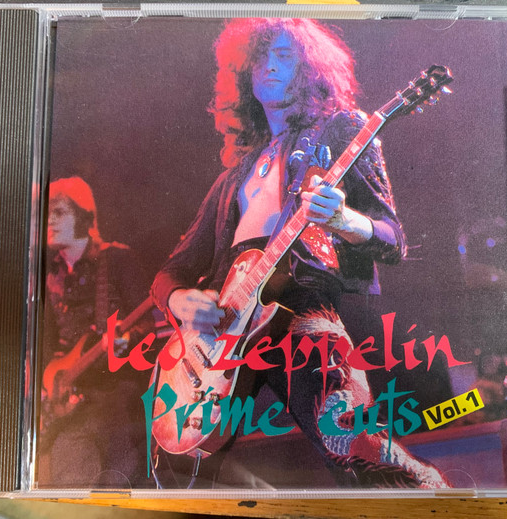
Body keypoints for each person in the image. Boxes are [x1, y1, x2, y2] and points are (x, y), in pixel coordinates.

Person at [151, 19, 448, 488]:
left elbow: (393, 239)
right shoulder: (235, 176)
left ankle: (436, 501)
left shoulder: (341, 130)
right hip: (222, 334)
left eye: (284, 56)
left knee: (353, 443)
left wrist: (343, 220)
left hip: (298, 313)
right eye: (260, 58)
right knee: (179, 462)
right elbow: (172, 270)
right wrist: (179, 300)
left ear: (310, 69)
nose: (269, 66)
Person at [39, 176, 151, 488]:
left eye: (59, 212)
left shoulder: (117, 259)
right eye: (47, 213)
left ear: (85, 217)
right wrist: (50, 383)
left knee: (116, 483)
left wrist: (126, 341)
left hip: (117, 393)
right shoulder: (51, 276)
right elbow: (46, 345)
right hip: (71, 405)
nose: (50, 220)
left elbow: (148, 325)